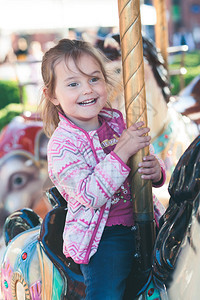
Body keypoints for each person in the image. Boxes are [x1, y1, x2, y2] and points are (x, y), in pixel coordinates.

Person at [39, 38, 166, 299]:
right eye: (73, 84)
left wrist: (155, 170)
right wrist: (122, 152)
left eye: (94, 79)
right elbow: (89, 195)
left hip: (149, 221)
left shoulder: (118, 122)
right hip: (104, 238)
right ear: (52, 95)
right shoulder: (62, 146)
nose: (87, 90)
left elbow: (147, 159)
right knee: (105, 293)